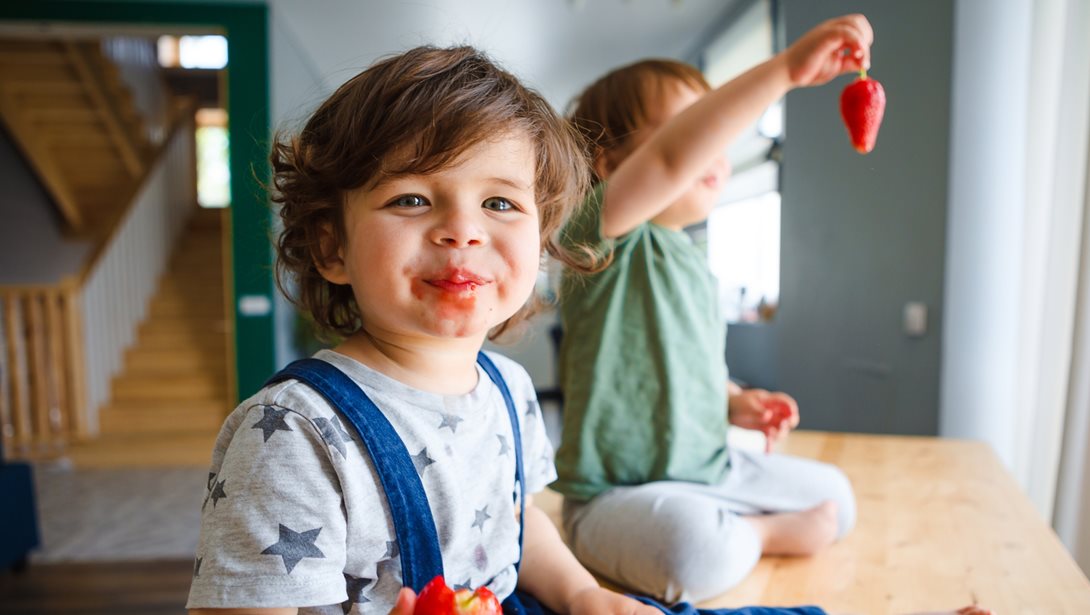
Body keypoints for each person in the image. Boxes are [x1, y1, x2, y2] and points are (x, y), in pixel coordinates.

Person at [184, 42, 991, 615]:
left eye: (499, 202)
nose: (463, 229)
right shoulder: (290, 435)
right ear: (330, 245)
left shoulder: (502, 386)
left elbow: (519, 518)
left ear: (541, 240)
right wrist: (783, 71)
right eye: (412, 198)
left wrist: (581, 593)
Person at [554, 14, 870, 603]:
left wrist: (735, 402)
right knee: (690, 553)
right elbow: (671, 160)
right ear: (607, 164)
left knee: (840, 498)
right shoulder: (594, 239)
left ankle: (740, 530)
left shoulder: (694, 264)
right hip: (615, 495)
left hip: (710, 472)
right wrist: (783, 71)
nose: (715, 147)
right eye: (695, 128)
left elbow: (691, 362)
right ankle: (759, 532)